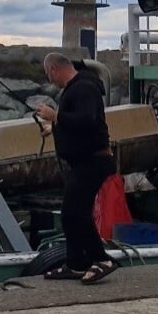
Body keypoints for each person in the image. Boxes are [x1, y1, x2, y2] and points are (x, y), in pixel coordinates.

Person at [36, 54, 118, 284]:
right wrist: (53, 127)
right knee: (71, 213)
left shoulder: (83, 88)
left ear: (54, 69)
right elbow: (77, 126)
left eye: (49, 75)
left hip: (93, 161)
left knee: (76, 212)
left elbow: (86, 120)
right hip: (84, 161)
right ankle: (75, 263)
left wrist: (56, 116)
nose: (50, 81)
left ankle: (101, 259)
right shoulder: (79, 88)